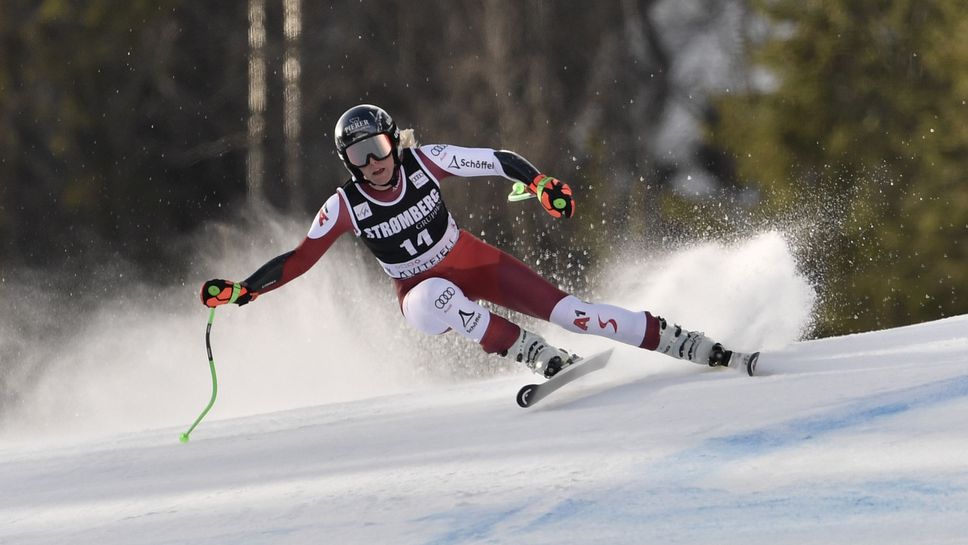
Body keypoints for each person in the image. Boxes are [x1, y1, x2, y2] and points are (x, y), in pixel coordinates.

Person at [201, 104, 756, 378]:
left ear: (393, 141)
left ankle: (685, 342)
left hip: (475, 261)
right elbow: (299, 259)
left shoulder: (427, 162)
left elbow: (496, 161)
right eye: (357, 156)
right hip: (420, 290)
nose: (372, 164)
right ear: (346, 163)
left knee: (575, 315)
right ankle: (535, 356)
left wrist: (539, 185)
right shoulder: (345, 205)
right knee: (428, 304)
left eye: (376, 147)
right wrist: (244, 292)